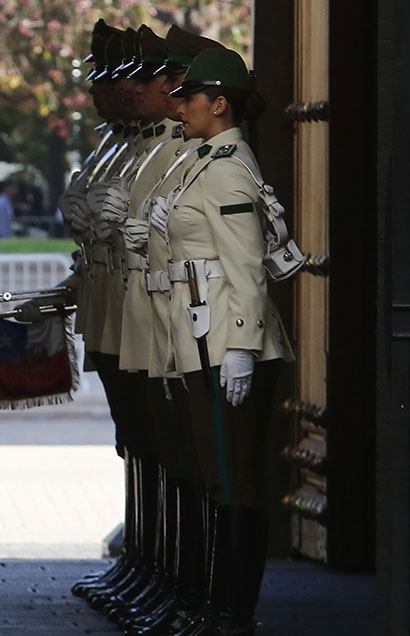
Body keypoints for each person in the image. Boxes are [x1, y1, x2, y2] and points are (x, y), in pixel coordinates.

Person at [159, 47, 294, 634]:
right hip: (202, 339)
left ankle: (232, 614)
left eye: (189, 98)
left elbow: (245, 265)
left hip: (226, 345)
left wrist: (240, 345)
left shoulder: (228, 166)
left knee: (235, 479)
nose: (180, 106)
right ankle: (217, 607)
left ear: (220, 104)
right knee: (218, 476)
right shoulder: (200, 160)